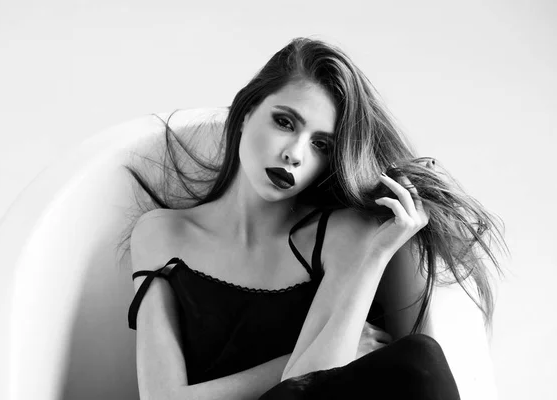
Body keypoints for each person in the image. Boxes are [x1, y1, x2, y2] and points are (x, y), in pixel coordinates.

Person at [118, 37, 507, 399]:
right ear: (246, 111)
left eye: (320, 145)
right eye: (285, 122)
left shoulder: (338, 232)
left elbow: (310, 385)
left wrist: (376, 255)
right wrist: (339, 345)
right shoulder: (162, 233)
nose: (295, 154)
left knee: (419, 358)